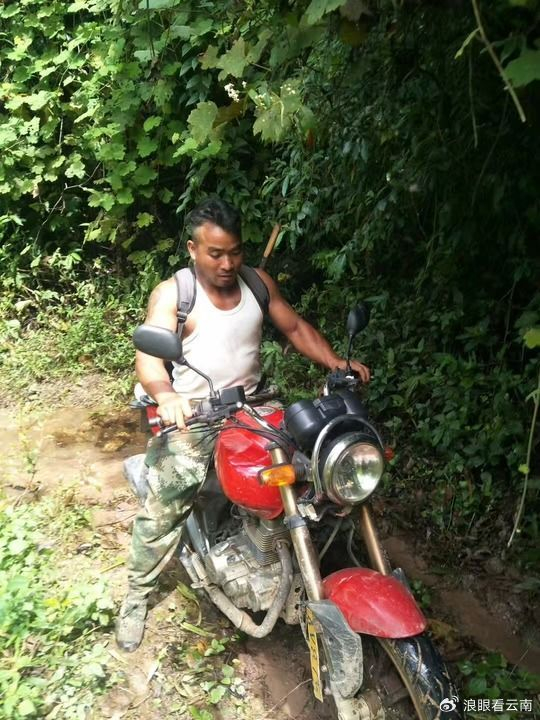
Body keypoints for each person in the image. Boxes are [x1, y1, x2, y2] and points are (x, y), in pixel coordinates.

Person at [115, 197, 370, 652]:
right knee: (169, 496)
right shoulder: (174, 294)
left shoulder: (256, 283)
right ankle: (136, 595)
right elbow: (149, 358)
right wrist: (167, 395)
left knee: (318, 465)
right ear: (193, 249)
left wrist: (335, 360)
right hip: (196, 411)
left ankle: (304, 548)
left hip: (255, 405)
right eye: (216, 253)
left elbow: (295, 328)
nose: (227, 263)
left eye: (234, 252)